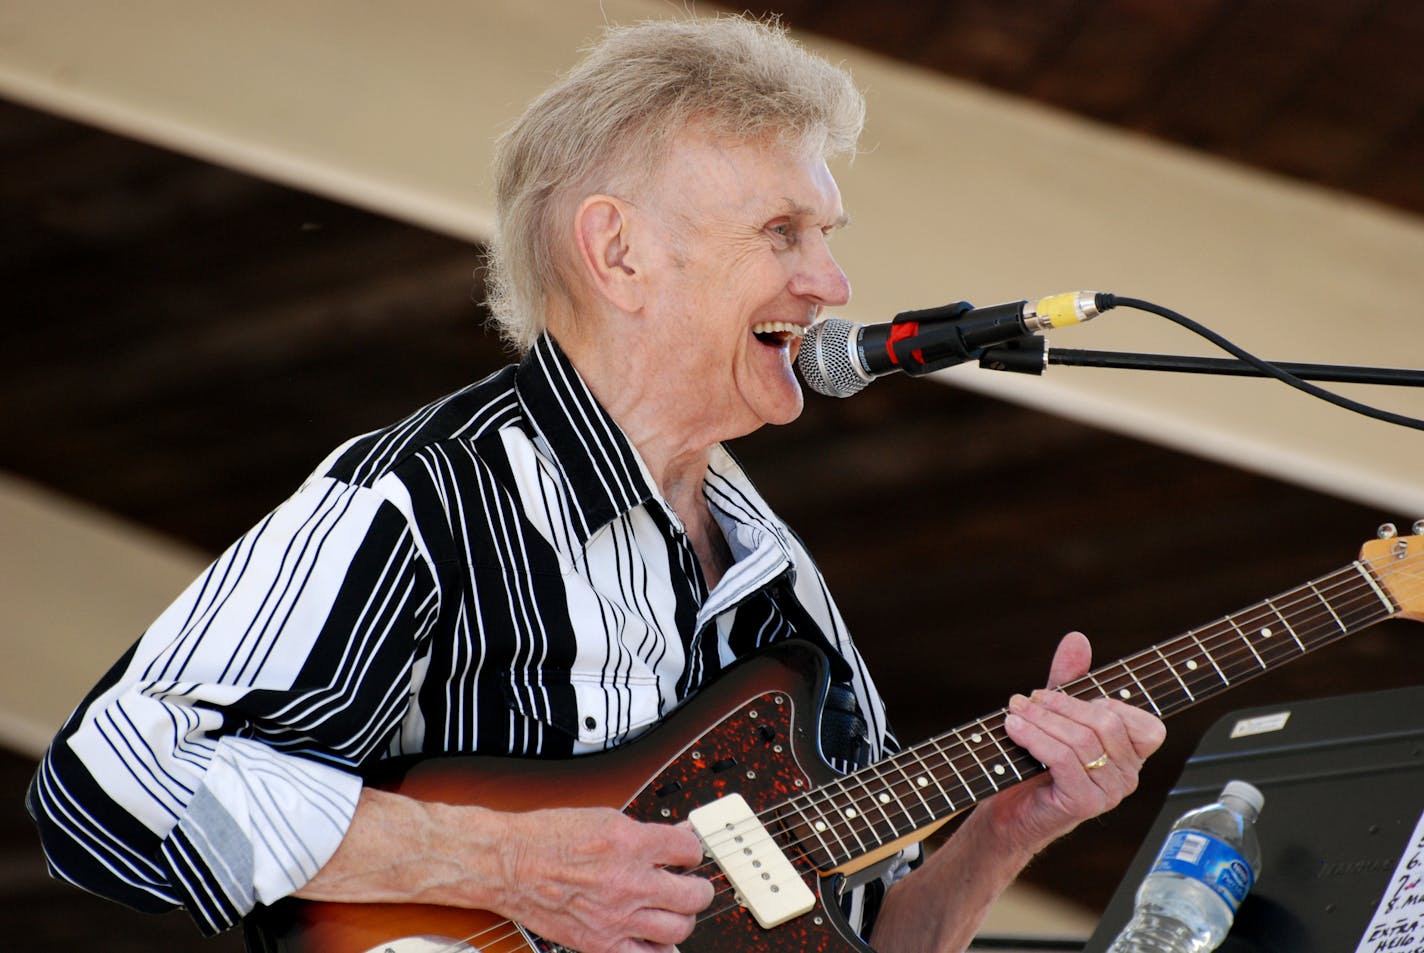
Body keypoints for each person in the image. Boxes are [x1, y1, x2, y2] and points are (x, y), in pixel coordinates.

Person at [28, 15, 1165, 953]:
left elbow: (860, 937)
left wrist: (1006, 832)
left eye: (824, 233)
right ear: (617, 252)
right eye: (782, 230)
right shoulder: (424, 498)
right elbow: (107, 783)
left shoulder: (781, 583)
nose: (830, 279)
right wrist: (516, 863)